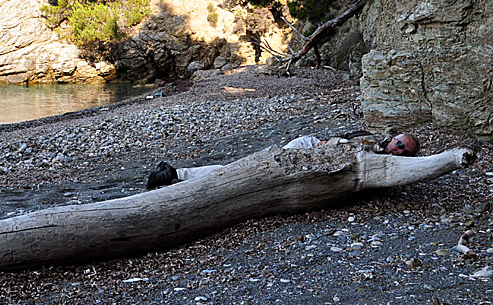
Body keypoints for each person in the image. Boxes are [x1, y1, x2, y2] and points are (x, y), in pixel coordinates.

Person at [145, 131, 420, 190]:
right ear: (394, 137)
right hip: (304, 149)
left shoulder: (382, 156)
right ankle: (175, 175)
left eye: (404, 152)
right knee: (241, 170)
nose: (399, 151)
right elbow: (332, 145)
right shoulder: (373, 140)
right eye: (400, 144)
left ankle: (176, 177)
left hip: (308, 156)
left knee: (243, 171)